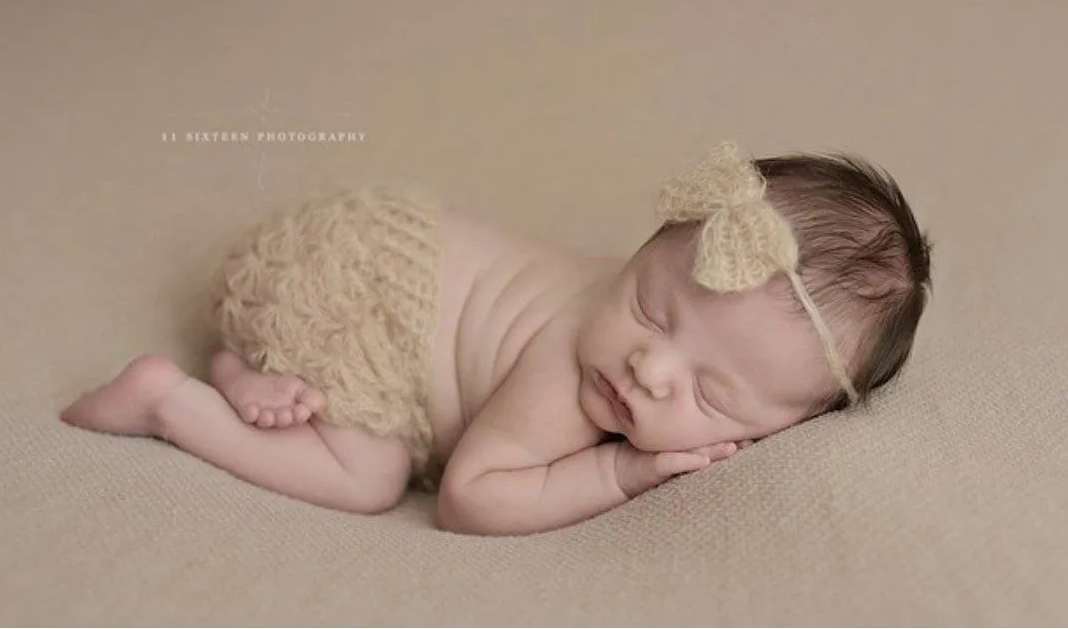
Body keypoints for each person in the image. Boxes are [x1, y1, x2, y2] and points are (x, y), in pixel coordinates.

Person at [61, 141, 933, 536]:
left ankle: (248, 366)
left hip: (362, 240)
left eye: (710, 395)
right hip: (360, 291)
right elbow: (469, 498)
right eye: (648, 308)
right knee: (367, 479)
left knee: (314, 385)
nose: (649, 367)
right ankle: (175, 403)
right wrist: (615, 470)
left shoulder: (642, 324)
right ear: (641, 253)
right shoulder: (565, 367)